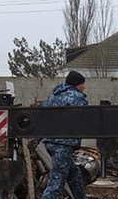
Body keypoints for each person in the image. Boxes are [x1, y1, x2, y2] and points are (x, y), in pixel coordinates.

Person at [40, 71, 89, 199]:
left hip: (50, 142)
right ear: (78, 84)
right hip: (63, 144)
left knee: (74, 174)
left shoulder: (54, 95)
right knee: (56, 184)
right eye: (83, 84)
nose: (84, 87)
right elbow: (84, 117)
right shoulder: (76, 97)